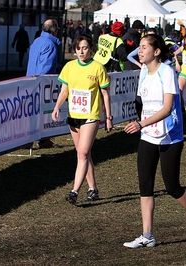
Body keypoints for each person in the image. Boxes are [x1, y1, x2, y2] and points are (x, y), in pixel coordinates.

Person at [123, 34, 186, 248]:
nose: (140, 51)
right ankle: (147, 235)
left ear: (157, 51)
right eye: (139, 47)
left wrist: (141, 124)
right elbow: (142, 103)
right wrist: (141, 123)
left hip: (170, 137)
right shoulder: (143, 71)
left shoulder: (167, 72)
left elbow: (167, 108)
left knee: (172, 187)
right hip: (148, 136)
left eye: (144, 47)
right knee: (145, 186)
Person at [51, 34, 113, 205]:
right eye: (78, 48)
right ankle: (93, 189)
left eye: (85, 48)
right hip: (74, 117)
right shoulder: (69, 67)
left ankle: (74, 191)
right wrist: (57, 107)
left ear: (91, 49)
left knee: (83, 153)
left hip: (90, 117)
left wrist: (108, 117)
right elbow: (64, 91)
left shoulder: (98, 68)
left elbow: (105, 95)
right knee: (83, 155)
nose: (81, 51)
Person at [26, 19, 61, 148]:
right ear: (53, 30)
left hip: (29, 80)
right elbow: (45, 67)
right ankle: (44, 139)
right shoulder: (50, 44)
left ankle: (28, 139)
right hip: (42, 83)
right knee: (44, 112)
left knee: (31, 112)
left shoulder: (37, 41)